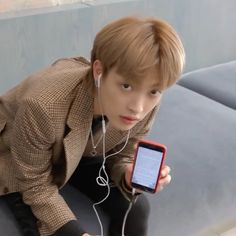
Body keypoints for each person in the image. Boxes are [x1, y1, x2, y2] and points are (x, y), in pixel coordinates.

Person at [0, 16, 185, 236]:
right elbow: (33, 184)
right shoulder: (44, 106)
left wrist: (126, 174)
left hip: (81, 150)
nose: (138, 108)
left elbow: (122, 153)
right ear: (99, 70)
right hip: (16, 155)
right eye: (126, 86)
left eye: (154, 91)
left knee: (136, 207)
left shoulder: (147, 102)